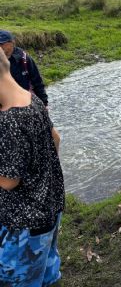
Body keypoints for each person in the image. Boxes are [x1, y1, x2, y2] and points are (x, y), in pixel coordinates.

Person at [0, 47, 64, 286]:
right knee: (47, 266)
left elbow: (9, 181)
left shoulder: (8, 121)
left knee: (18, 278)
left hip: (24, 222)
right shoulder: (32, 99)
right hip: (50, 206)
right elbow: (56, 139)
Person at [0, 30, 48, 106]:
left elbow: (37, 82)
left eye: (1, 44)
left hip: (24, 103)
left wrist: (44, 103)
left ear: (11, 42)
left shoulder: (24, 58)